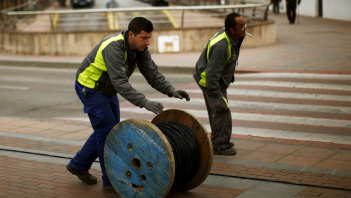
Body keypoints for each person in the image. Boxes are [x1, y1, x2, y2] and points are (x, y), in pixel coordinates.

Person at [66, 17, 190, 193]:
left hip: (107, 89)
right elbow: (121, 83)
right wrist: (144, 102)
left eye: (149, 38)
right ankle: (110, 181)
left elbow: (152, 74)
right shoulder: (113, 47)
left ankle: (78, 165)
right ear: (131, 34)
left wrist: (171, 91)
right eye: (144, 38)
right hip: (90, 87)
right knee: (108, 132)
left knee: (109, 130)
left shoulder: (140, 49)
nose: (147, 43)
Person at [193, 12, 246, 156]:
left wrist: (229, 75)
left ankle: (219, 140)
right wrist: (216, 95)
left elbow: (229, 59)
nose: (245, 28)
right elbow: (212, 73)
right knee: (221, 110)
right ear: (232, 30)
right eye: (241, 26)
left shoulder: (232, 37)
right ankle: (219, 145)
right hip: (209, 80)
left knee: (217, 111)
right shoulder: (222, 45)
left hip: (217, 79)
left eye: (245, 25)